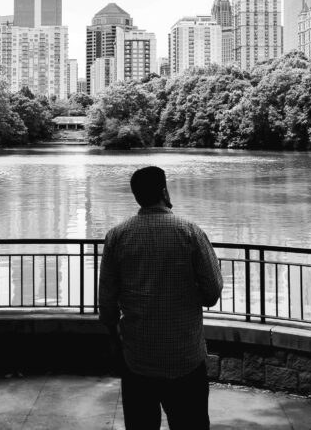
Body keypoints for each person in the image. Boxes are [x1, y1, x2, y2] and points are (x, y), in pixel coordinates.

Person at [98, 166, 224, 430]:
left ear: (136, 196)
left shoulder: (117, 236)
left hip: (137, 358)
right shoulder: (190, 232)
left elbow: (107, 303)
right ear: (164, 191)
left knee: (141, 425)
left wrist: (114, 342)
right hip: (185, 356)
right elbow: (212, 292)